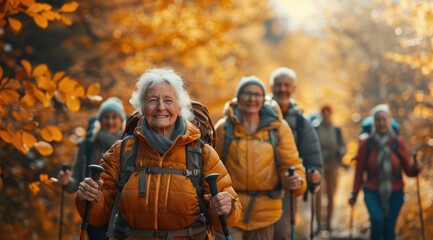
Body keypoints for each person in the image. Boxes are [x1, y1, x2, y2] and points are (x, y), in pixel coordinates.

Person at [75, 68, 241, 239]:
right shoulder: (121, 151)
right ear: (142, 106)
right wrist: (90, 199)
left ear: (179, 106)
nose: (161, 107)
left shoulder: (202, 153)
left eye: (168, 100)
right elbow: (97, 217)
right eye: (152, 100)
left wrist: (226, 207)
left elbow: (228, 219)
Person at [214, 76, 306, 240]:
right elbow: (212, 166)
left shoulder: (278, 128)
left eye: (257, 95)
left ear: (263, 99)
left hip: (266, 211)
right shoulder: (224, 127)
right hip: (232, 209)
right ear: (238, 98)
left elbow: (291, 163)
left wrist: (294, 179)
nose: (252, 99)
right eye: (247, 94)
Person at [57, 96, 126, 240]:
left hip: (122, 212)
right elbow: (76, 180)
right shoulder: (88, 144)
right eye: (106, 117)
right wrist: (67, 182)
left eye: (114, 117)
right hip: (92, 208)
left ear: (121, 121)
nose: (110, 121)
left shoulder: (129, 146)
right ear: (100, 121)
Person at [349, 104, 419, 240]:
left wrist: (417, 167)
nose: (381, 123)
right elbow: (359, 171)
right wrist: (354, 193)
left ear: (389, 120)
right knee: (377, 220)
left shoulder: (398, 142)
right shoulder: (366, 143)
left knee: (389, 227)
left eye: (384, 119)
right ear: (374, 122)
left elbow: (409, 171)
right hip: (371, 189)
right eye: (378, 120)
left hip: (396, 190)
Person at [268, 67, 323, 239]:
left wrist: (315, 173)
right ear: (271, 87)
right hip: (257, 184)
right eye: (278, 85)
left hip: (287, 187)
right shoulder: (257, 114)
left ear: (294, 89)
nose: (282, 89)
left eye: (287, 85)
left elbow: (313, 155)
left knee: (281, 233)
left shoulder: (302, 122)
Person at [314, 105, 346, 233]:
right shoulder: (315, 128)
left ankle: (328, 224)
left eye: (328, 113)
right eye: (324, 113)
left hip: (332, 164)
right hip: (319, 164)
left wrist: (340, 153)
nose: (326, 115)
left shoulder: (336, 130)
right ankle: (317, 224)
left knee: (331, 194)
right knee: (317, 194)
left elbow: (343, 146)